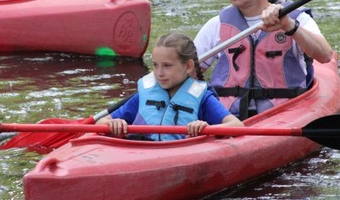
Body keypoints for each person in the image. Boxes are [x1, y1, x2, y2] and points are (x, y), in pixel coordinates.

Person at [194, 0, 334, 120]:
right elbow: (186, 73)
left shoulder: (296, 19)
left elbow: (325, 55)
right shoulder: (217, 25)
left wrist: (289, 26)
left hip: (285, 116)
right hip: (229, 120)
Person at [96, 32, 244, 141]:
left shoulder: (203, 98)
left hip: (179, 153)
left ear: (188, 66)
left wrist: (206, 129)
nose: (159, 73)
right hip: (139, 151)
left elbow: (237, 126)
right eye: (155, 65)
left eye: (167, 66)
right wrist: (114, 123)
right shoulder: (144, 96)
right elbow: (100, 122)